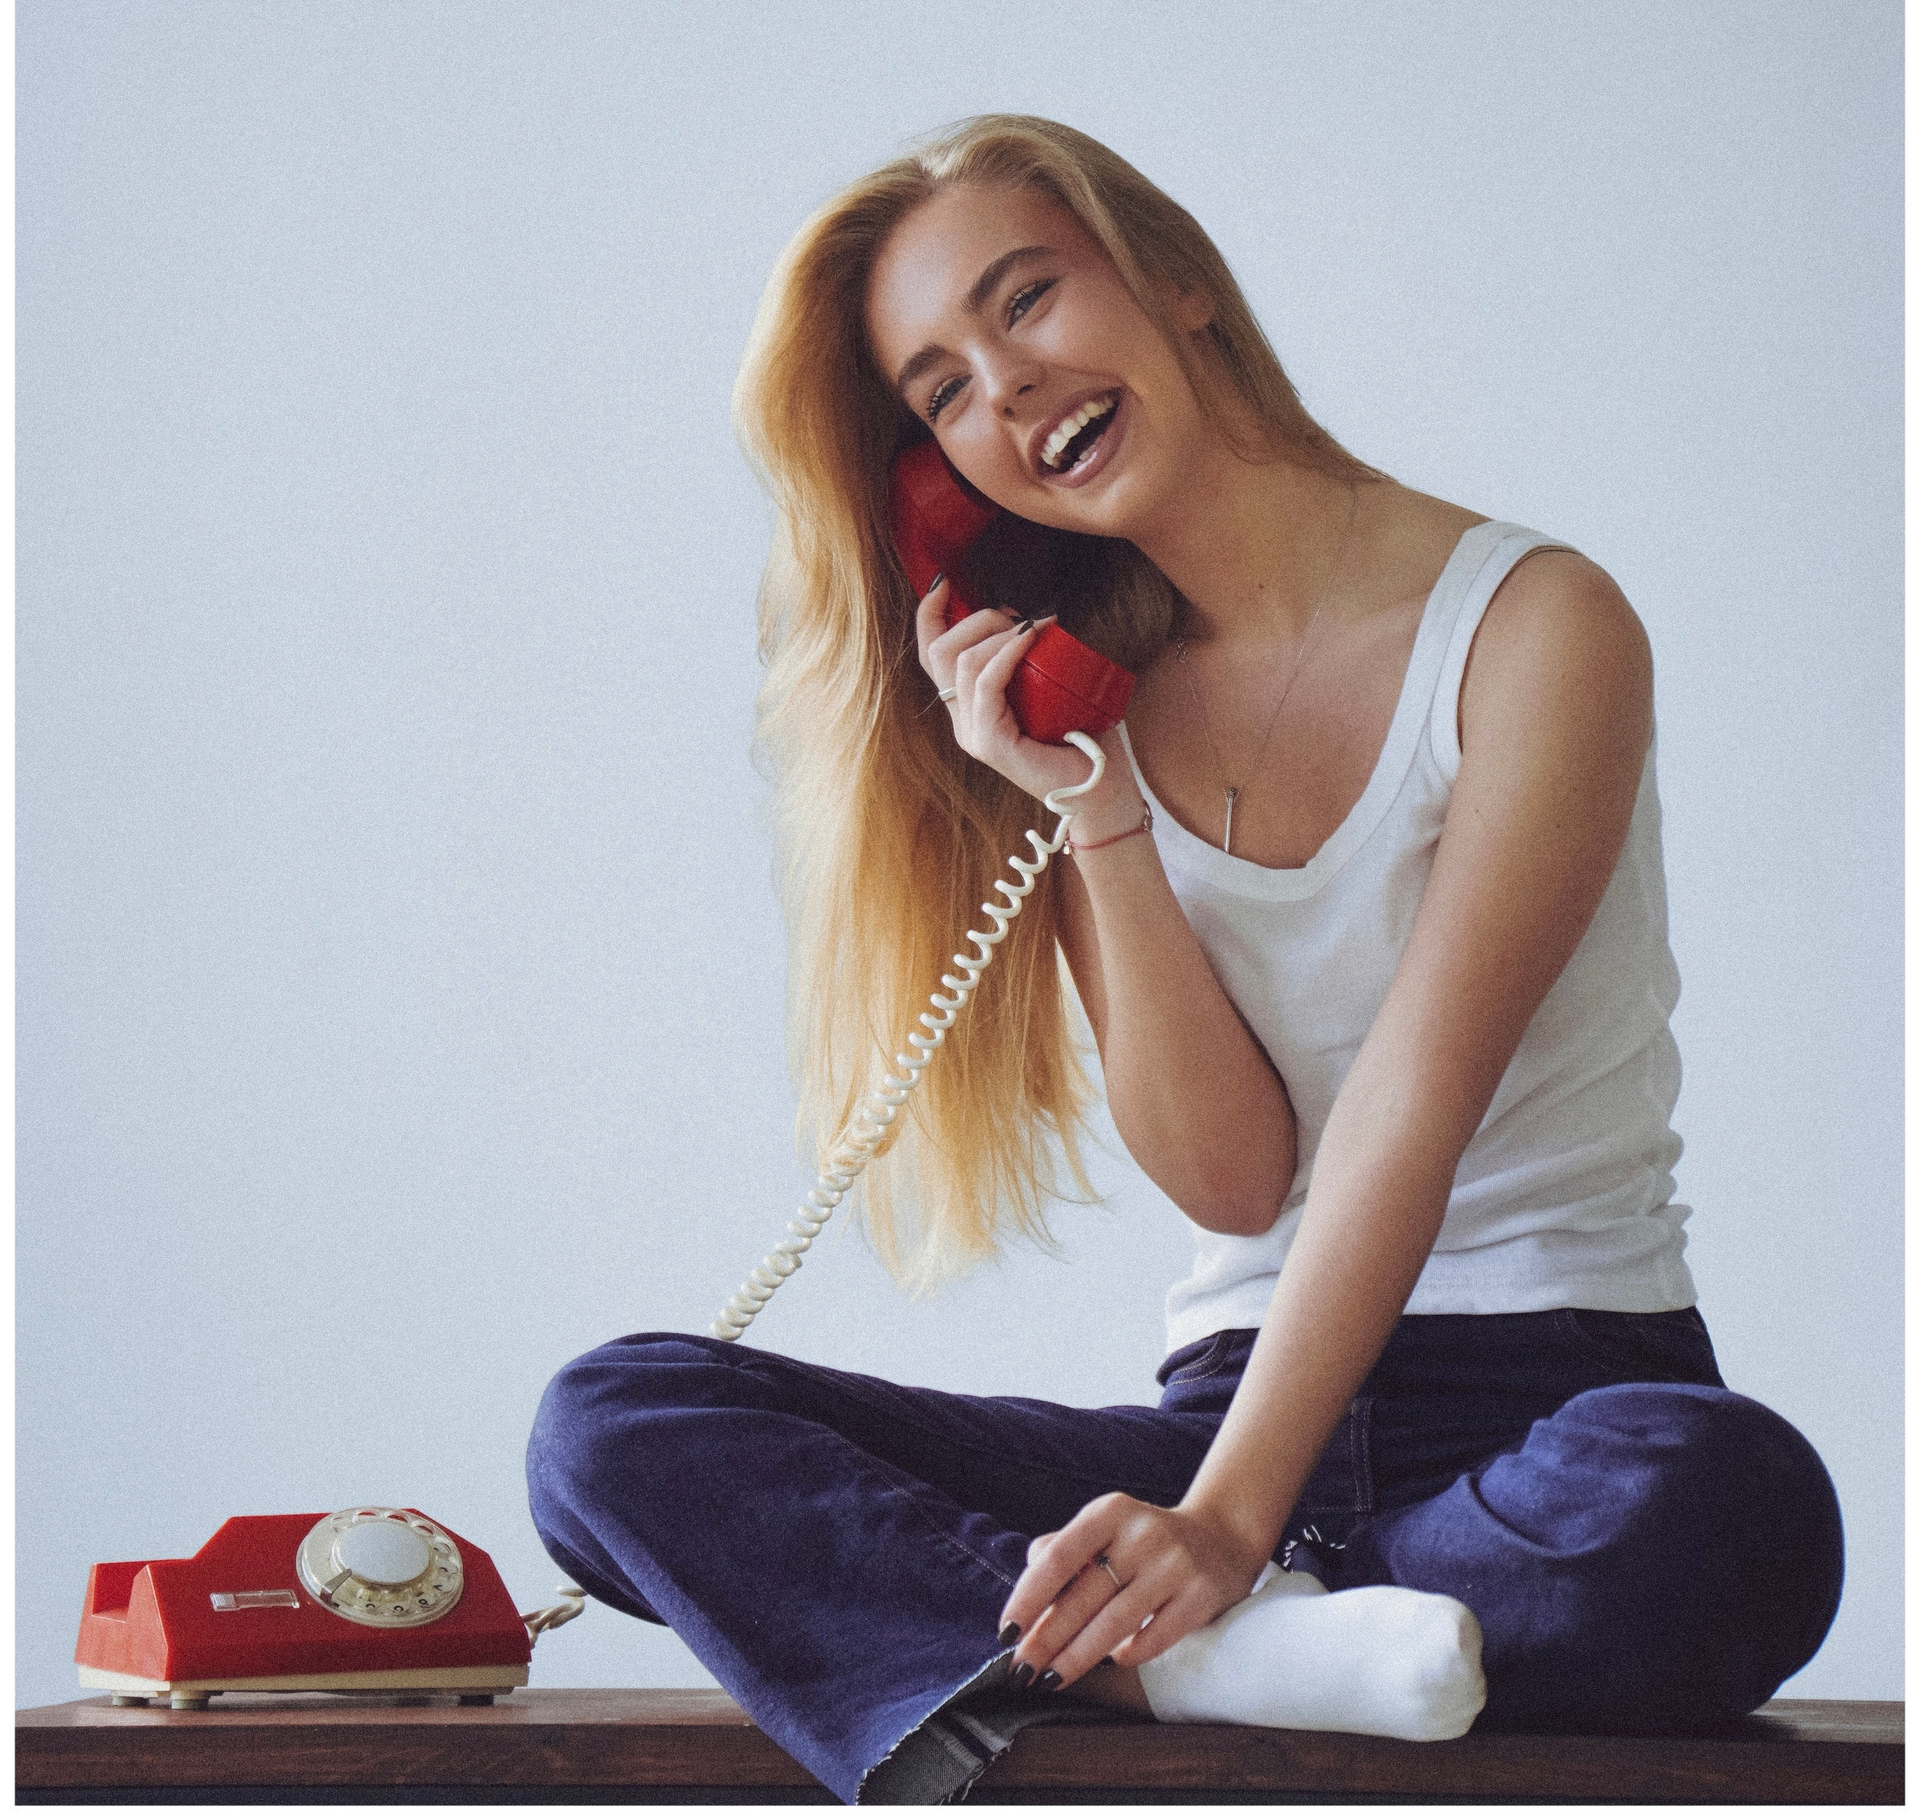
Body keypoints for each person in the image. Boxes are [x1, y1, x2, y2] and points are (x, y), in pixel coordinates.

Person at [526, 116, 1843, 1805]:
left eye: (1027, 300)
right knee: (611, 1427)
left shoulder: (1534, 627)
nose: (1005, 387)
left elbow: (1409, 1110)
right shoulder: (1092, 707)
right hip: (1224, 1418)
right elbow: (1232, 1178)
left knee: (1726, 1509)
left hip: (1545, 1408)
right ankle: (1218, 1663)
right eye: (941, 391)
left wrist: (1225, 1528)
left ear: (1175, 282)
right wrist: (1095, 813)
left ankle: (1171, 1650)